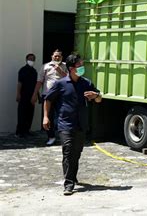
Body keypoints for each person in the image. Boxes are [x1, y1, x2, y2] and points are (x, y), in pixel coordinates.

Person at [43, 53, 102, 195]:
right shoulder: (61, 83)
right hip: (65, 124)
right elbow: (48, 99)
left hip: (81, 124)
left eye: (82, 65)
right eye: (79, 65)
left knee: (76, 154)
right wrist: (46, 117)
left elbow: (99, 99)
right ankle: (69, 183)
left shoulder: (86, 83)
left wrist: (96, 96)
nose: (82, 68)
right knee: (68, 151)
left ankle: (71, 175)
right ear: (71, 68)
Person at [32, 49, 68, 146]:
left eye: (59, 56)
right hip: (47, 94)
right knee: (48, 116)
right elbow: (39, 81)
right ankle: (51, 136)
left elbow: (69, 78)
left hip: (61, 94)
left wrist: (60, 70)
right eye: (55, 56)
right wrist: (35, 94)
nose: (57, 58)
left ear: (62, 57)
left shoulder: (65, 65)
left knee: (63, 115)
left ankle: (64, 136)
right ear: (52, 56)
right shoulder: (45, 66)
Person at [16, 53, 38, 138]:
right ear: (26, 60)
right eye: (29, 59)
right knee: (22, 113)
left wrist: (35, 96)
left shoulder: (34, 71)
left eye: (33, 59)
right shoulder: (22, 70)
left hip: (32, 95)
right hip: (23, 95)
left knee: (30, 114)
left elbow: (36, 84)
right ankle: (19, 132)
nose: (31, 60)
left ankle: (27, 131)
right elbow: (19, 83)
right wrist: (18, 94)